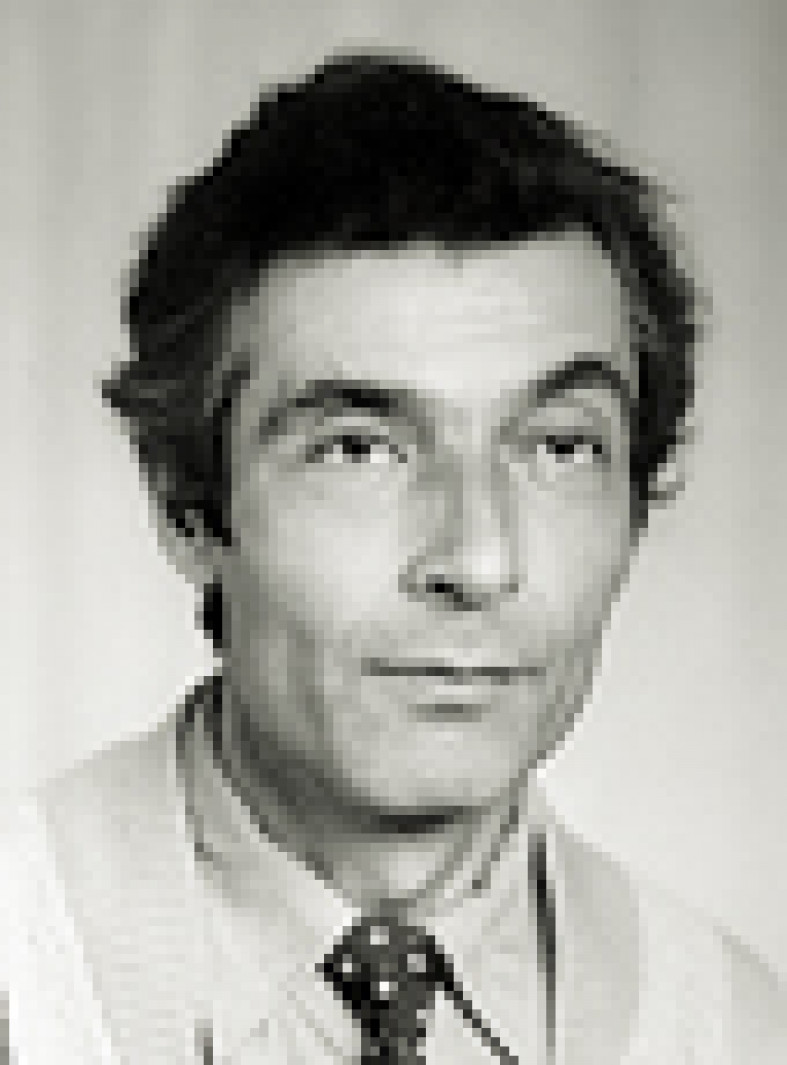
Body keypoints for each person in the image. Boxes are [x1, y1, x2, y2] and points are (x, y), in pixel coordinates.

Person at [3, 51, 785, 1064]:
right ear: (187, 506)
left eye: (557, 447)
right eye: (360, 449)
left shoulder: (737, 1027)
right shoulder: (25, 961)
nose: (478, 559)